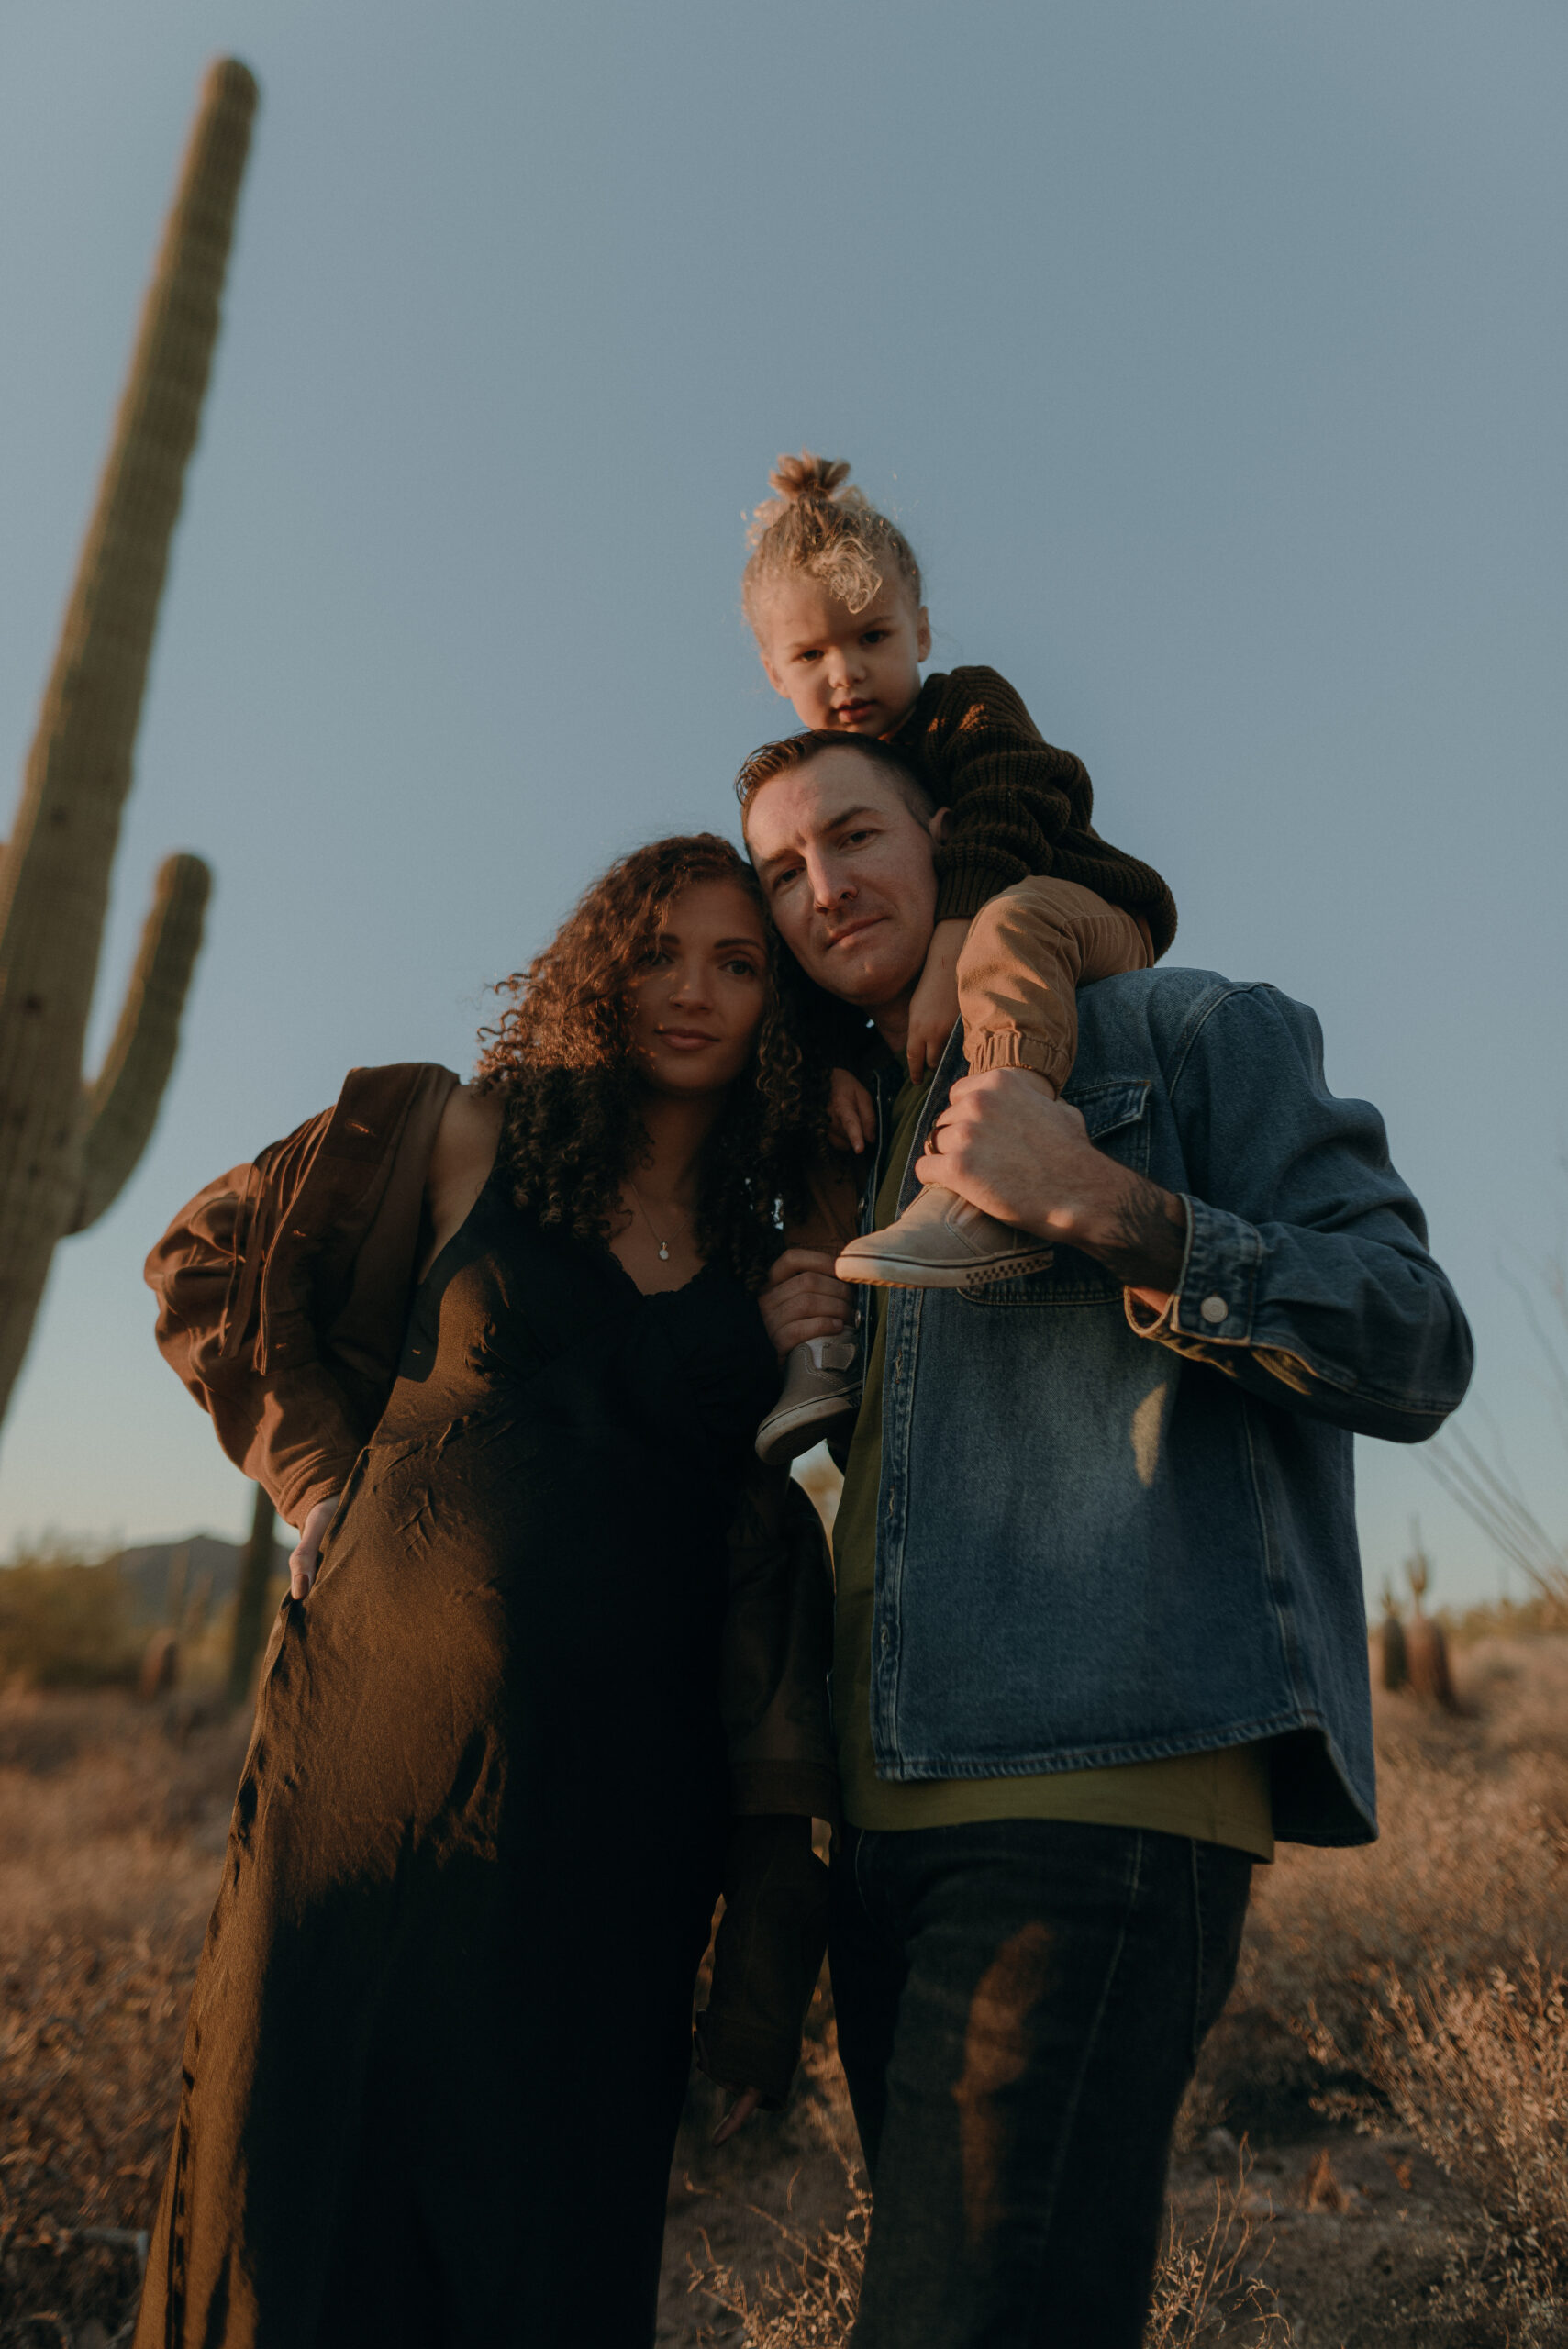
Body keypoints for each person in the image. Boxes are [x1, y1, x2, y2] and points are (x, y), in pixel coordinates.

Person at [738, 730, 1473, 2347]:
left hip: (1098, 1783)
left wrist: (1103, 1205)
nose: (821, 888)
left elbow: (1413, 1341)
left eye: (851, 836)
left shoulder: (1185, 1031)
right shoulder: (845, 1153)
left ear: (938, 836)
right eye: (781, 871)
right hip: (888, 1817)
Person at [133, 835, 838, 2349]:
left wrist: (798, 1335)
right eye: (660, 953)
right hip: (370, 1769)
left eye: (737, 965)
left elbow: (763, 1533)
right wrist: (315, 1475)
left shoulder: (770, 1250)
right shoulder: (456, 1136)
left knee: (541, 2231)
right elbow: (201, 1263)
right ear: (599, 967)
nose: (695, 992)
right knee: (304, 2189)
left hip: (624, 1821)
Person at [742, 453, 1178, 1464]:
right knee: (823, 1126)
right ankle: (821, 1351)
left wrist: (947, 948)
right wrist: (825, 1067)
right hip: (983, 947)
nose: (844, 674)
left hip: (1082, 918)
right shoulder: (808, 795)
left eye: (872, 638)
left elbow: (1012, 806)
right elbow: (802, 960)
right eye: (810, 656)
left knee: (1008, 922)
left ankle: (1000, 1147)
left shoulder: (967, 708)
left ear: (922, 632)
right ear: (773, 674)